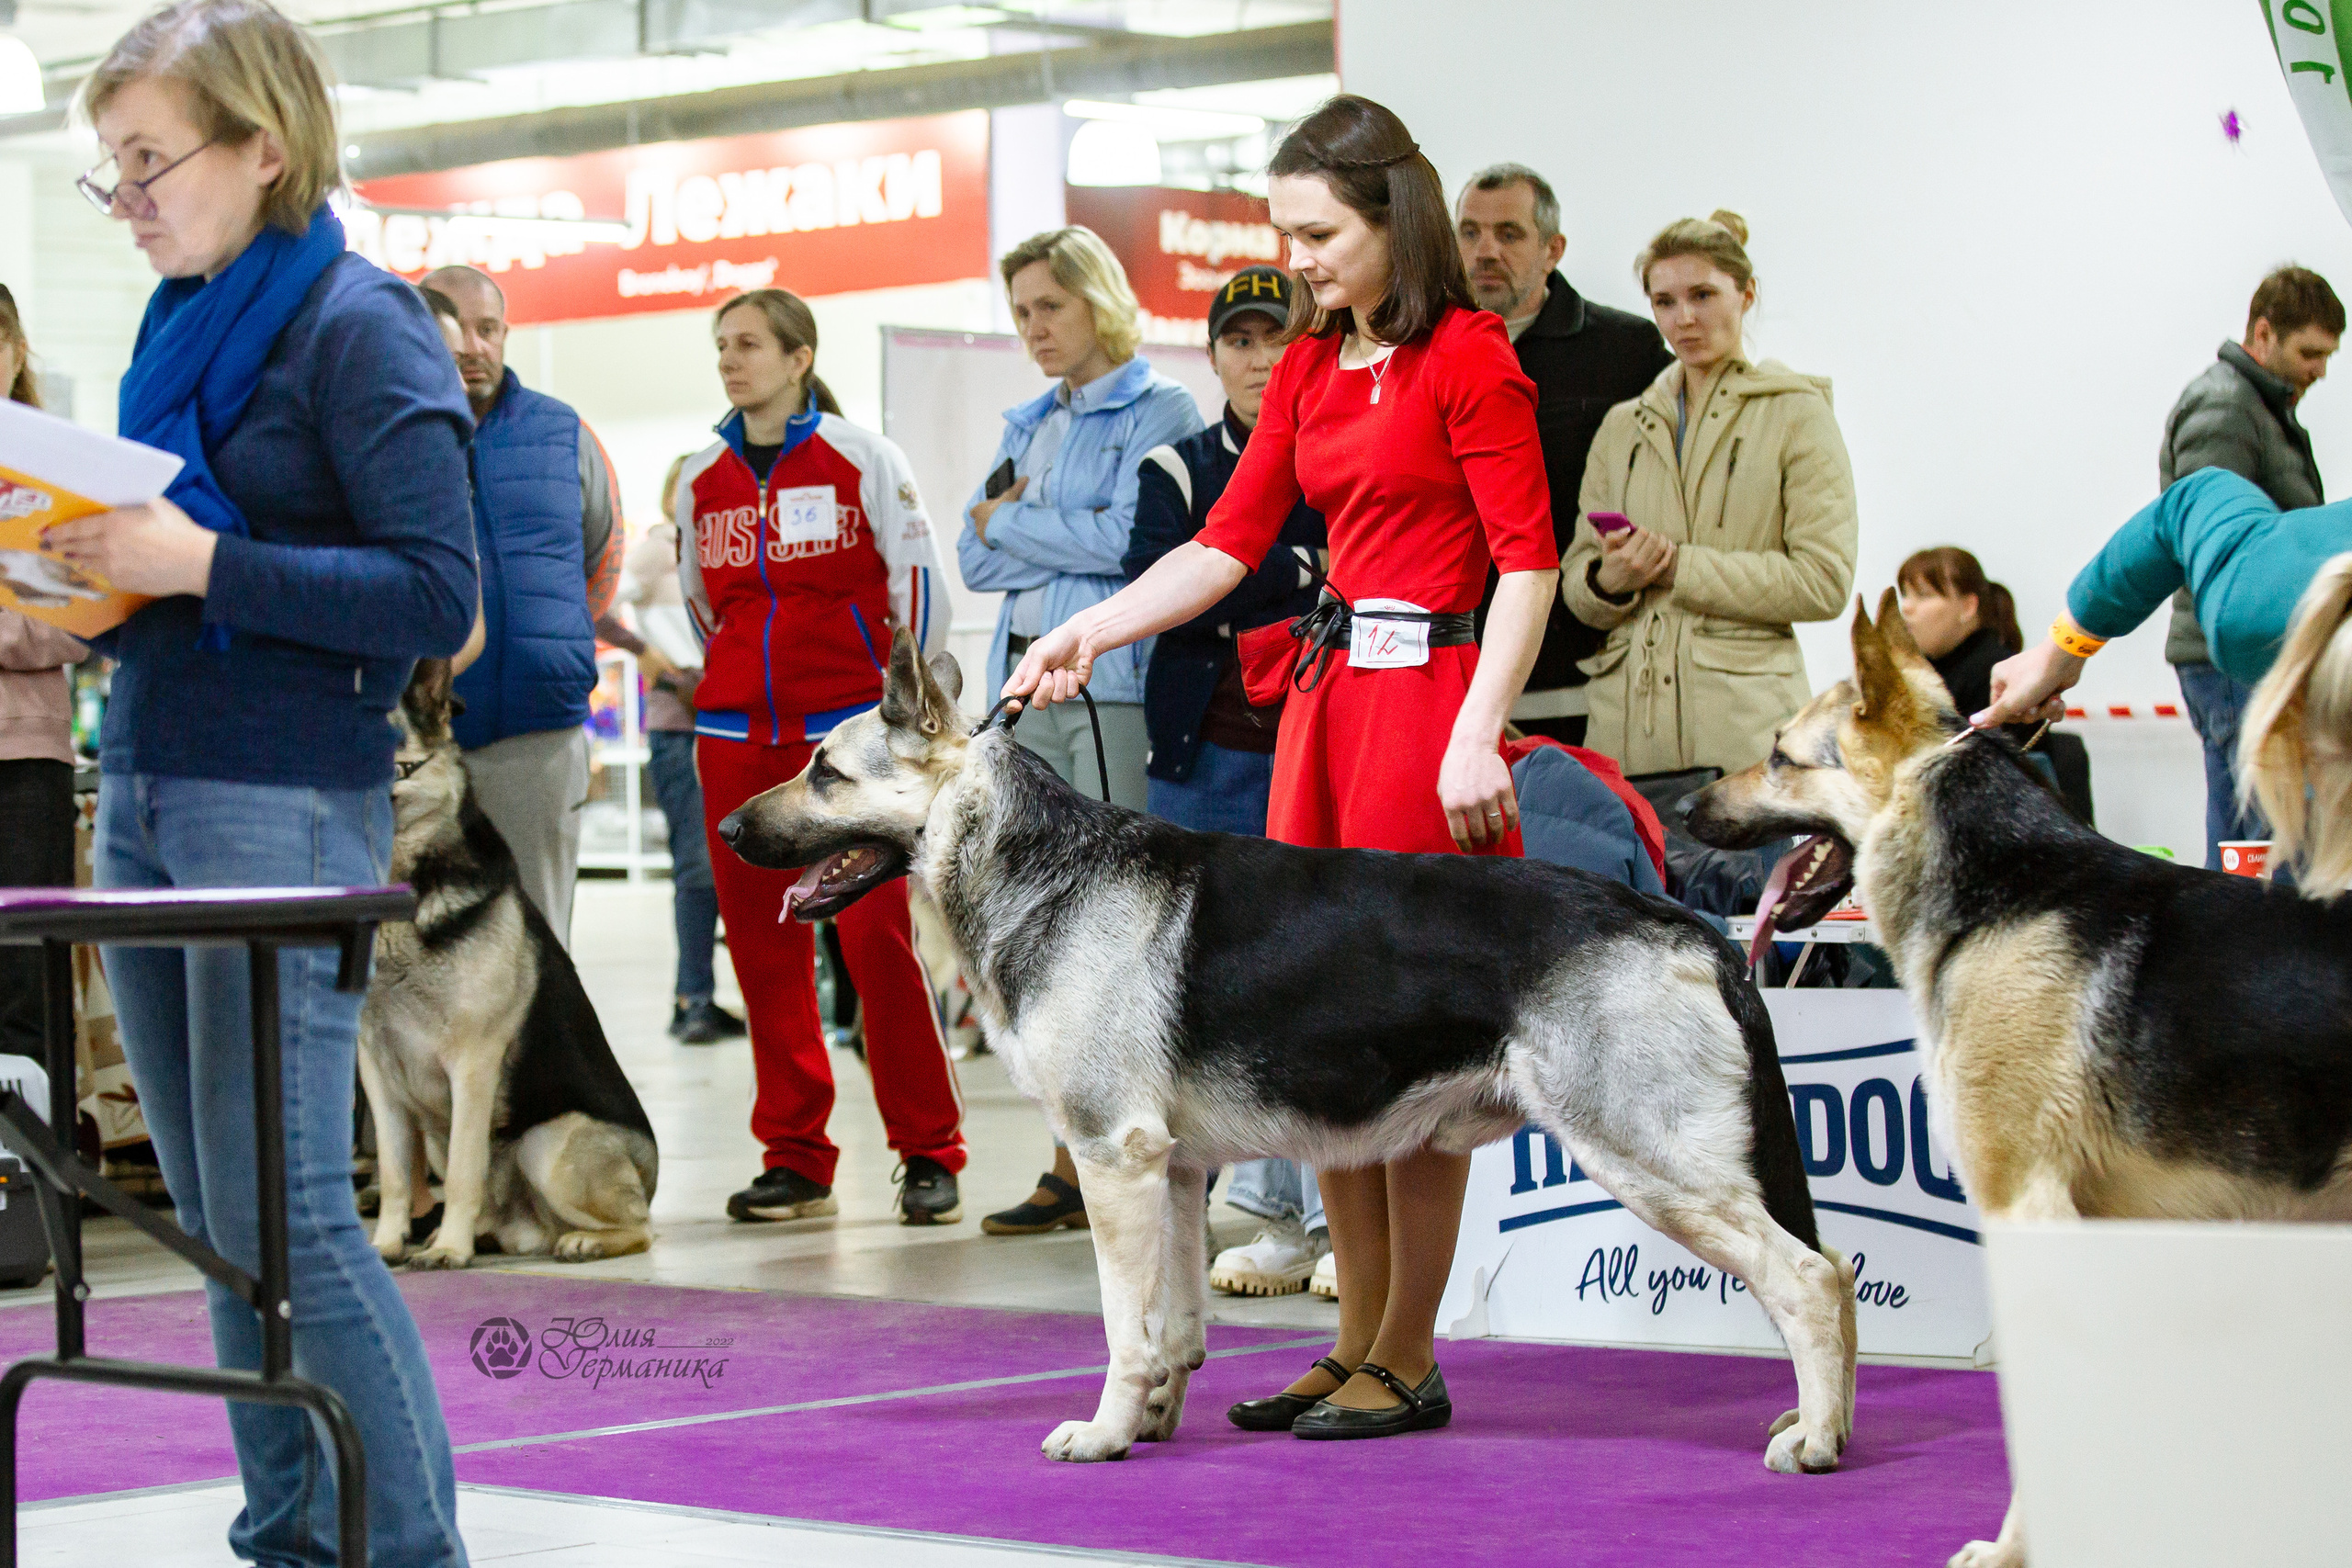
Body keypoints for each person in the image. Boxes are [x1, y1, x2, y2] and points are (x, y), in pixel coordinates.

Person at [1002, 94, 1559, 1438]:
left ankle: (1407, 1352)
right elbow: (1226, 545)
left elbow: (1527, 555)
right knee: (1333, 1044)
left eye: (1316, 232)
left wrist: (1479, 727)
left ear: (1390, 221)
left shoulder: (1474, 358)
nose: (1296, 256)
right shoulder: (1309, 369)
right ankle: (1355, 1340)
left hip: (1427, 704)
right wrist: (1094, 622)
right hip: (1321, 710)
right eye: (1285, 231)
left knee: (1422, 1051)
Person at [41, 3, 477, 1562]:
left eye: (149, 160)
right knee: (219, 1224)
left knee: (292, 1216)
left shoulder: (361, 326)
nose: (132, 196)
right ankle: (289, 1538)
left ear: (263, 146)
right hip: (154, 777)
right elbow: (176, 566)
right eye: (114, 172)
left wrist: (198, 560)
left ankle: (406, 1548)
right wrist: (81, 580)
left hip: (284, 802)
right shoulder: (183, 319)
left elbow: (441, 595)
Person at [674, 288, 967, 1228]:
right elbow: (698, 605)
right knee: (762, 955)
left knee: (874, 941)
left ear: (798, 357)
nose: (731, 361)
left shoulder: (862, 458)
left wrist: (898, 723)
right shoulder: (700, 476)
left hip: (844, 738)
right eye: (722, 346)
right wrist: (731, 677)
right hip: (732, 736)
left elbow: (917, 587)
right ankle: (795, 1157)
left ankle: (928, 1149)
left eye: (750, 344)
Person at [957, 225, 1201, 1235]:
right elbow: (972, 569)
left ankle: (1134, 1151)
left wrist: (1002, 521)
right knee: (1040, 925)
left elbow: (1129, 546)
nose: (1034, 329)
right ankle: (1070, 1155)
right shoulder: (1029, 418)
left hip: (1108, 686)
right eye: (1019, 313)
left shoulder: (1164, 408)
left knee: (1111, 929)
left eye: (1048, 306)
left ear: (1097, 299)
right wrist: (1002, 531)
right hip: (1020, 692)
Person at [1124, 263, 1330, 1294]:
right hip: (1198, 763)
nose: (1258, 358)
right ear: (1213, 356)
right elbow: (1164, 595)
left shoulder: (1333, 450)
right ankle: (1255, 1211)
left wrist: (1239, 570)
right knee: (1201, 989)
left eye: (1276, 338)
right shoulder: (1175, 464)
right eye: (1239, 340)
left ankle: (1322, 1221)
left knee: (1316, 977)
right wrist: (1293, 572)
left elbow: (1356, 578)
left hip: (1314, 751)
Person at [1560, 210, 1858, 776]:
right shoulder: (1623, 426)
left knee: (1746, 869)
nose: (1685, 318)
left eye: (1703, 294)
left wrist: (1679, 567)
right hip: (1623, 739)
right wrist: (1608, 583)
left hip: (1742, 737)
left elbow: (1824, 582)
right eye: (1664, 301)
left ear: (1747, 294)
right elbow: (1576, 581)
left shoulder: (1798, 414)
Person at [417, 263, 624, 947]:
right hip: (422, 743)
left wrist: (548, 644)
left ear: (506, 334)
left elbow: (602, 559)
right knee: (427, 954)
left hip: (538, 737)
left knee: (540, 949)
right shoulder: (390, 431)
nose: (472, 347)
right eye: (456, 330)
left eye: (488, 329)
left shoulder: (562, 432)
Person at [1455, 164, 1672, 744]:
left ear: (1553, 249)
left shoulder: (1627, 352)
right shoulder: (1424, 352)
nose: (1484, 251)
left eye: (1508, 233)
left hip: (1586, 663)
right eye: (1469, 232)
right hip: (1455, 664)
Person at [2158, 265, 2340, 866]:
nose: (2320, 369)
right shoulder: (2225, 408)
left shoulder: (2261, 411)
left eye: (2329, 355)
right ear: (2262, 334)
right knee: (2254, 851)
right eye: (2309, 352)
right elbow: (2216, 540)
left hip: (2250, 651)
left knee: (2266, 842)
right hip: (2230, 655)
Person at [592, 453, 741, 1043]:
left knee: (716, 864)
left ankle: (698, 996)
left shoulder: (714, 550)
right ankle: (693, 999)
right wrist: (652, 661)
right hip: (681, 724)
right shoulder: (660, 549)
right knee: (697, 864)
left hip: (720, 719)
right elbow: (598, 606)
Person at [0, 285, 87, 1066]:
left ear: (17, 352)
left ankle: (32, 1180)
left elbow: (69, 623)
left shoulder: (49, 467)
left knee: (28, 980)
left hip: (24, 764)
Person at [1894, 547, 2022, 718]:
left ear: (1967, 607)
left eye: (1923, 595)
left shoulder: (1995, 674)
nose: (1906, 607)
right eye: (1905, 594)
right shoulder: (1920, 667)